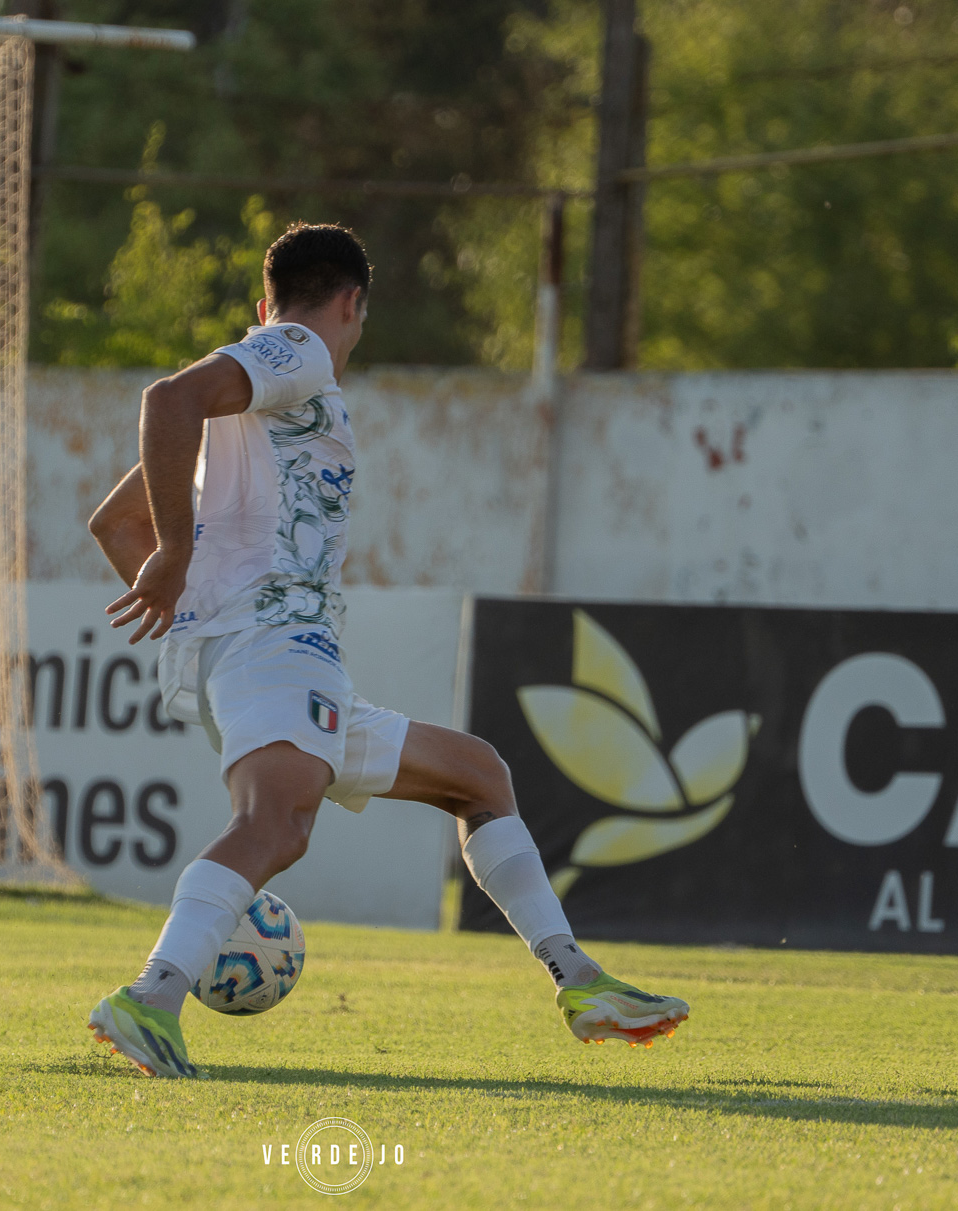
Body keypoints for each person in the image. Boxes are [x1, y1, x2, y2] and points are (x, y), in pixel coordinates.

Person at [83, 222, 686, 1078]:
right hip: (274, 648)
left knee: (477, 775)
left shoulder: (250, 412)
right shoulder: (298, 353)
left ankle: (580, 981)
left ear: (263, 299)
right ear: (351, 304)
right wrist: (183, 565)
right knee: (276, 826)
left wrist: (192, 601)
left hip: (276, 657)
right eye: (357, 316)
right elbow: (165, 400)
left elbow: (116, 522)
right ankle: (153, 995)